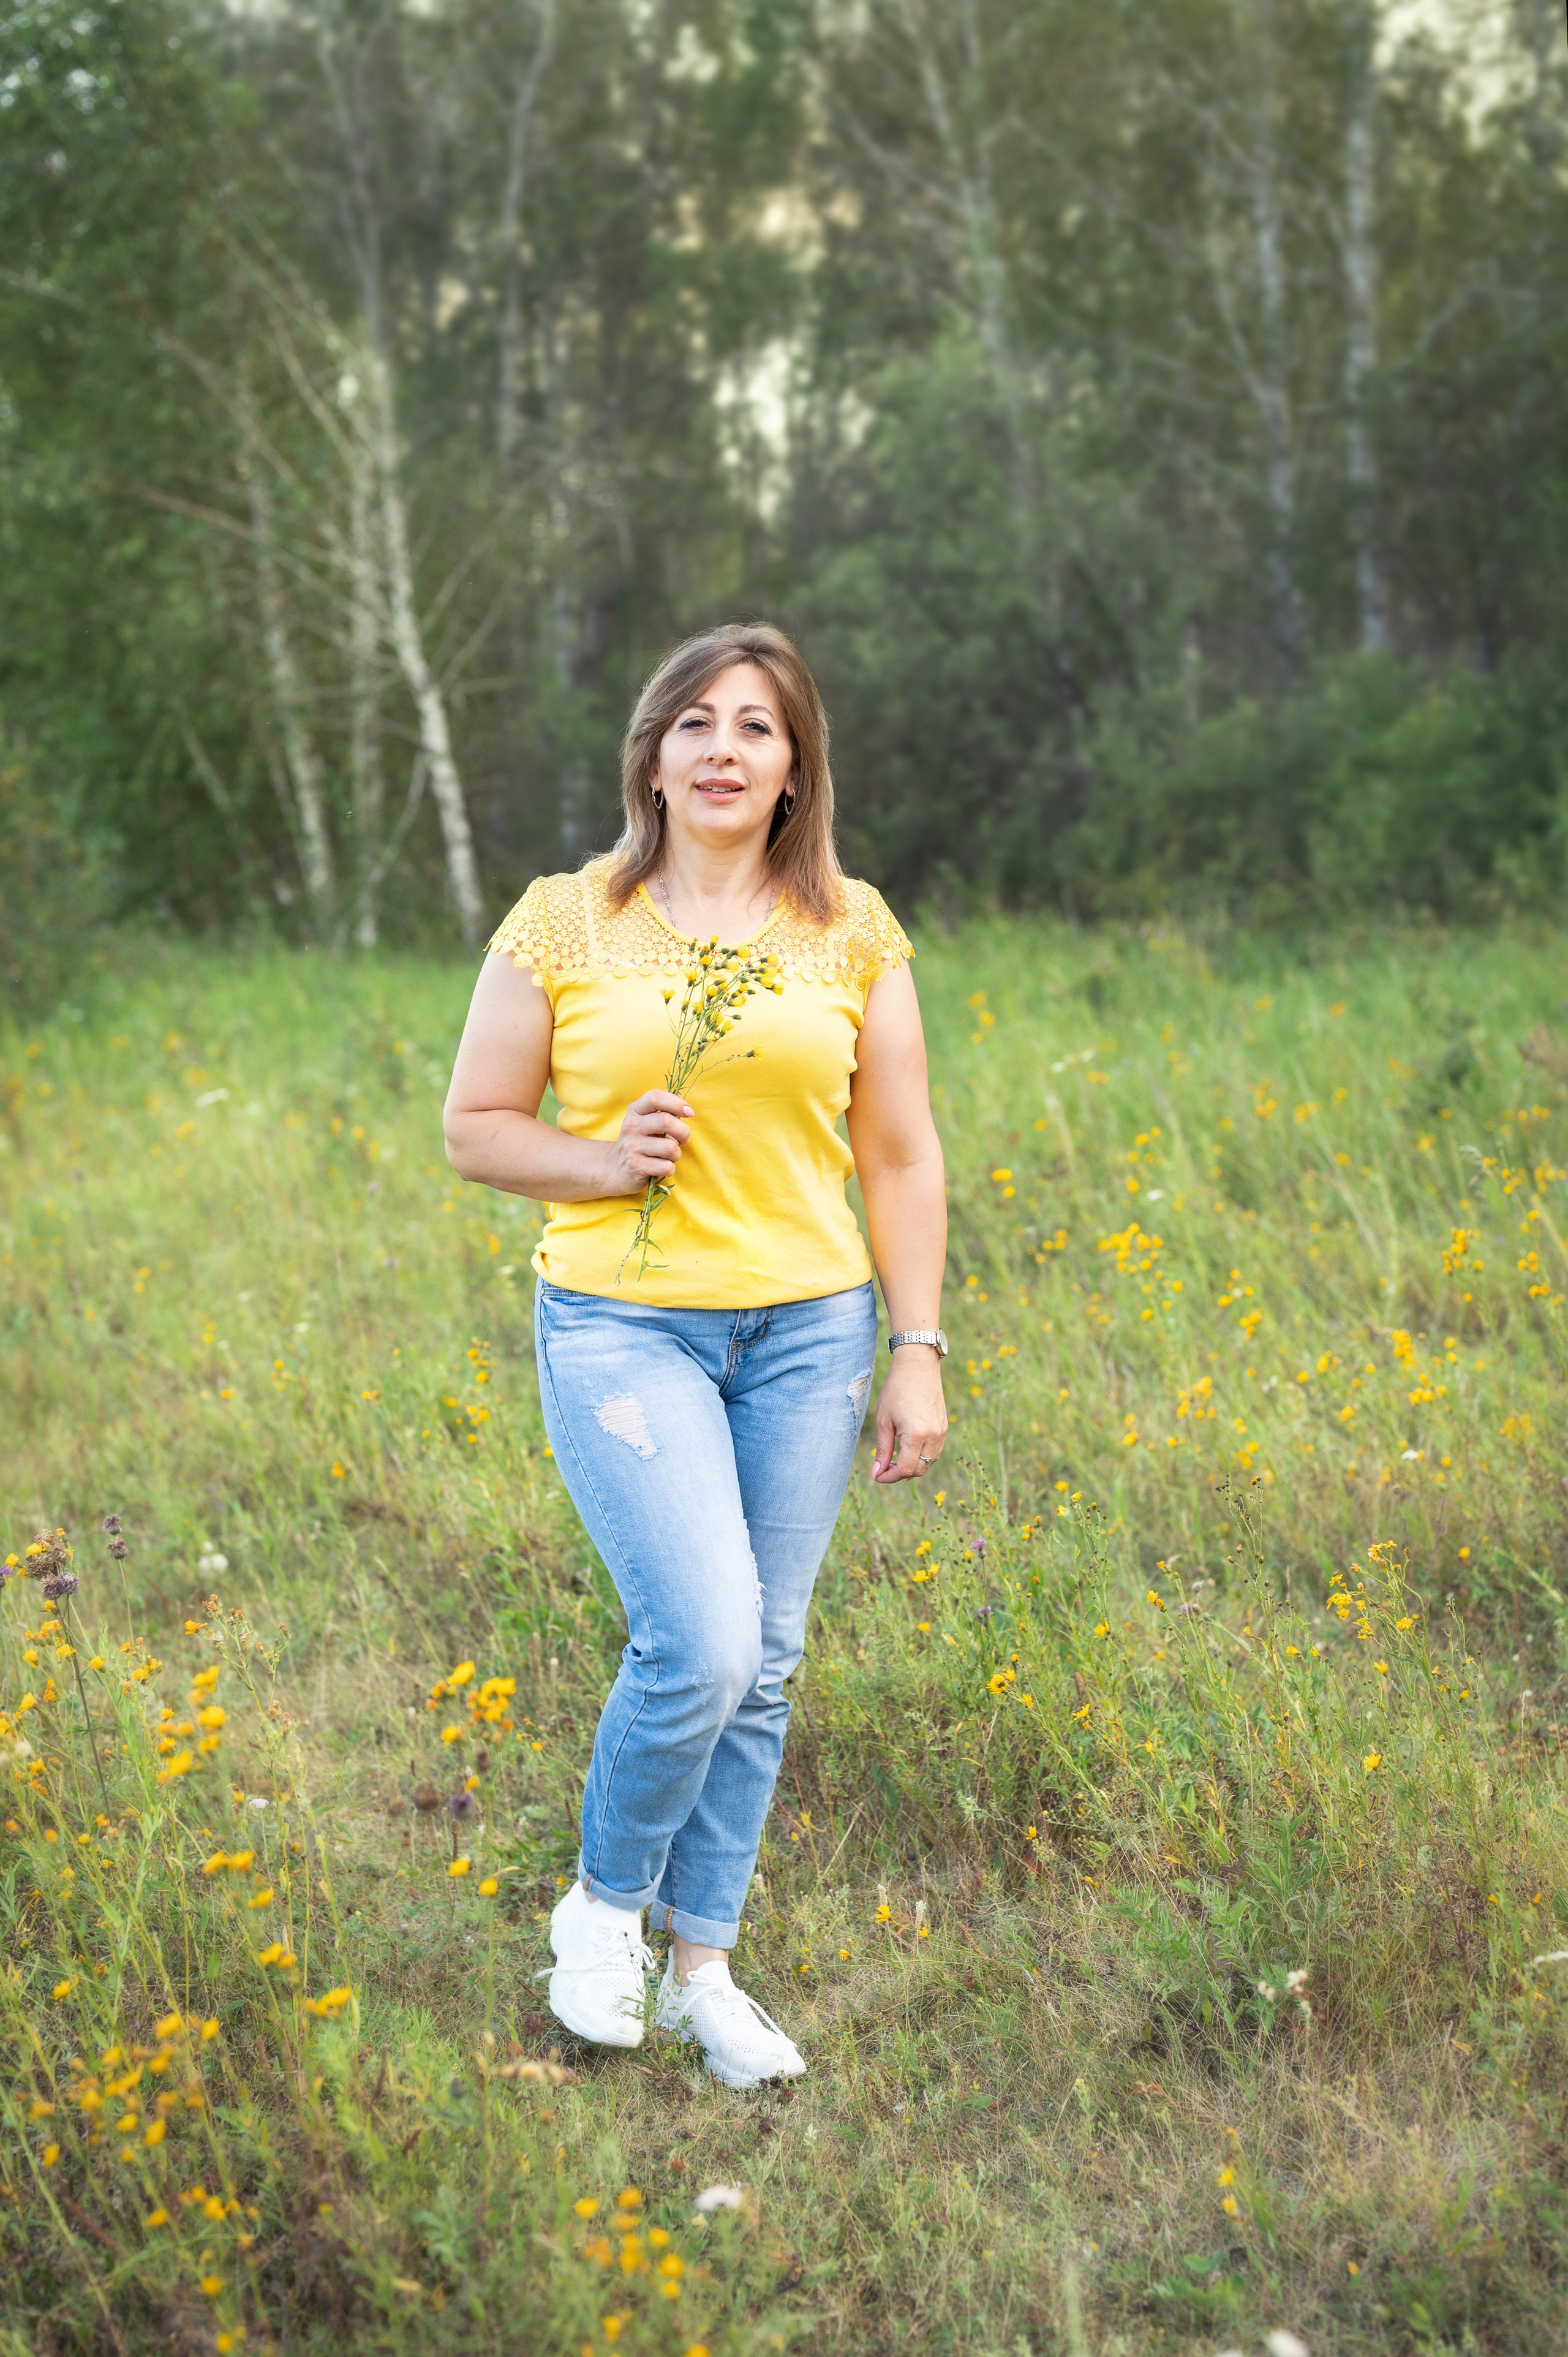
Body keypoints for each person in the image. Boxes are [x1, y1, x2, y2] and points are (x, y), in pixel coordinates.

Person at [443, 622, 947, 2089]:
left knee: (769, 1662)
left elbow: (901, 1156)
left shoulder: (852, 927)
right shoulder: (562, 920)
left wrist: (914, 1345)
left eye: (758, 727)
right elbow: (474, 1126)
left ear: (795, 769)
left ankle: (702, 1971)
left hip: (810, 1330)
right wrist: (601, 1161)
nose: (724, 749)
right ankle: (599, 1908)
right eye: (696, 724)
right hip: (619, 1321)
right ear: (652, 756)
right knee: (704, 1639)